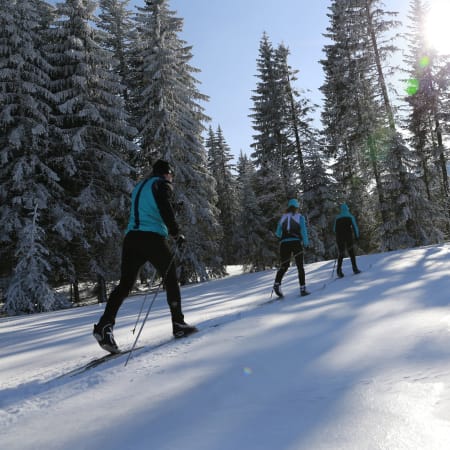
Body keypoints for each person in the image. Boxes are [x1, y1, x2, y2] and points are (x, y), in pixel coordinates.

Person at [93, 159, 197, 353]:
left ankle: (104, 326)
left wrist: (173, 209)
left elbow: (151, 208)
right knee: (171, 276)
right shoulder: (161, 184)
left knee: (125, 285)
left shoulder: (141, 185)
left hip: (131, 238)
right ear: (166, 173)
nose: (171, 178)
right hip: (151, 238)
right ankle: (178, 324)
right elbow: (164, 207)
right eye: (171, 174)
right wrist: (176, 233)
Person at [273, 198, 310, 298]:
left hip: (284, 244)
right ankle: (302, 288)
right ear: (297, 207)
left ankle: (277, 283)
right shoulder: (300, 217)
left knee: (284, 266)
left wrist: (284, 236)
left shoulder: (283, 218)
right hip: (296, 243)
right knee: (299, 266)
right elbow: (303, 231)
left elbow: (277, 233)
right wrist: (306, 242)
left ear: (288, 207)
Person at [333, 203, 361, 278]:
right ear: (347, 209)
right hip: (348, 237)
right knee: (351, 253)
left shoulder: (337, 218)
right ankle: (355, 268)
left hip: (339, 238)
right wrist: (357, 236)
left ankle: (339, 271)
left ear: (341, 210)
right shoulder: (350, 216)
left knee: (341, 254)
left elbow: (334, 229)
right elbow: (355, 227)